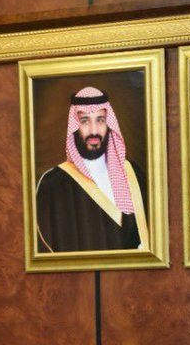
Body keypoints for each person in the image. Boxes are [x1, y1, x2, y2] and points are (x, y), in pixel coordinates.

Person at [35, 86, 149, 252]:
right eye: (85, 121)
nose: (94, 131)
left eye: (100, 120)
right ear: (75, 126)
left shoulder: (133, 172)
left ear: (109, 124)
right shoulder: (54, 183)